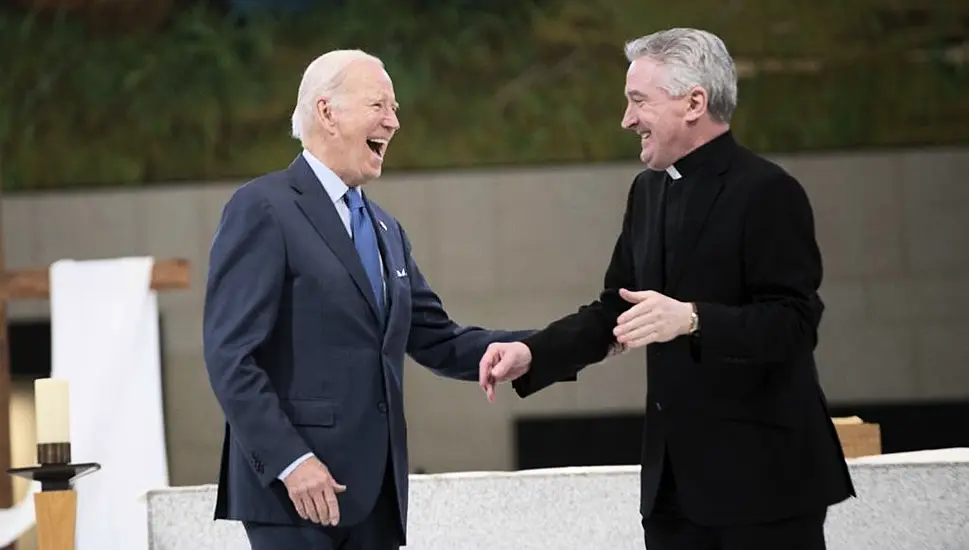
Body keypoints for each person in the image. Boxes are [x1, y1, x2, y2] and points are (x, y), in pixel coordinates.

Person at [478, 28, 855, 550]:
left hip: (766, 488)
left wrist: (694, 318)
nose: (627, 119)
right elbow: (616, 308)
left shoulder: (768, 192)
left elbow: (794, 324)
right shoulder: (648, 190)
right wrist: (532, 352)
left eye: (638, 101)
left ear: (694, 102)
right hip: (673, 494)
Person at [202, 49, 533, 550]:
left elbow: (439, 340)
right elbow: (230, 357)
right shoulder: (262, 208)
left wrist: (551, 345)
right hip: (296, 498)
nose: (394, 122)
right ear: (327, 111)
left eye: (395, 109)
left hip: (375, 496)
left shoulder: (385, 229)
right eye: (379, 105)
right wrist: (292, 462)